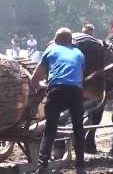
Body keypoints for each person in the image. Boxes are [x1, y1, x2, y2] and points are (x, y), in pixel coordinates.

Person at [31, 27, 85, 171]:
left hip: (56, 91)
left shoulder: (50, 51)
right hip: (75, 92)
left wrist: (43, 85)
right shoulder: (79, 53)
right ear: (70, 41)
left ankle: (41, 168)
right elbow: (79, 77)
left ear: (55, 41)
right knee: (79, 129)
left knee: (50, 130)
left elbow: (34, 80)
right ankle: (81, 167)